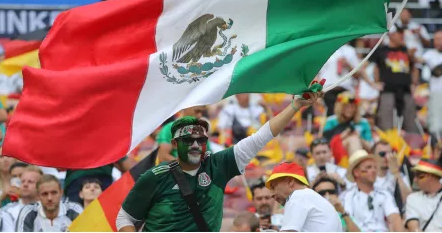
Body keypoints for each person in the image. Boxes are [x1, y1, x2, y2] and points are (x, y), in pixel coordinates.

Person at [116, 88, 323, 232]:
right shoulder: (155, 176)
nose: (196, 145)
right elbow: (125, 217)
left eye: (201, 140)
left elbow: (262, 137)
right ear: (175, 143)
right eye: (189, 140)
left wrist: (296, 105)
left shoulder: (217, 165)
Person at [265, 161, 342, 232]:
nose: (272, 194)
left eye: (274, 186)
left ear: (290, 181)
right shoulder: (313, 198)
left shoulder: (297, 196)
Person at [341, 150, 403, 232]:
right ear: (356, 172)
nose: (374, 170)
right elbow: (347, 223)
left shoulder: (384, 194)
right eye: (368, 167)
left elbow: (395, 218)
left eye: (375, 167)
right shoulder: (347, 196)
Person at [371, 25, 417, 132]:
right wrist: (375, 83)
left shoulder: (406, 50)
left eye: (402, 33)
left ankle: (412, 148)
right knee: (386, 123)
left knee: (410, 123)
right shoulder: (382, 50)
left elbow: (415, 68)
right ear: (391, 35)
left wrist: (415, 84)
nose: (402, 35)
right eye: (399, 33)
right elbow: (375, 68)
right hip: (388, 91)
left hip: (406, 91)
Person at [16, 174, 83, 232]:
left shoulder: (74, 210)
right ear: (38, 196)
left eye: (54, 193)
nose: (49, 198)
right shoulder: (28, 212)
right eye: (44, 194)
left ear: (61, 193)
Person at [413, 30, 442, 140]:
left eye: (439, 39)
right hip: (438, 95)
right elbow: (418, 60)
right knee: (436, 127)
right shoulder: (430, 54)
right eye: (435, 39)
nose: (435, 42)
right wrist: (411, 54)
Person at [405, 159, 442, 232]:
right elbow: (414, 227)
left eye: (419, 177)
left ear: (429, 177)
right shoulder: (413, 198)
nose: (415, 180)